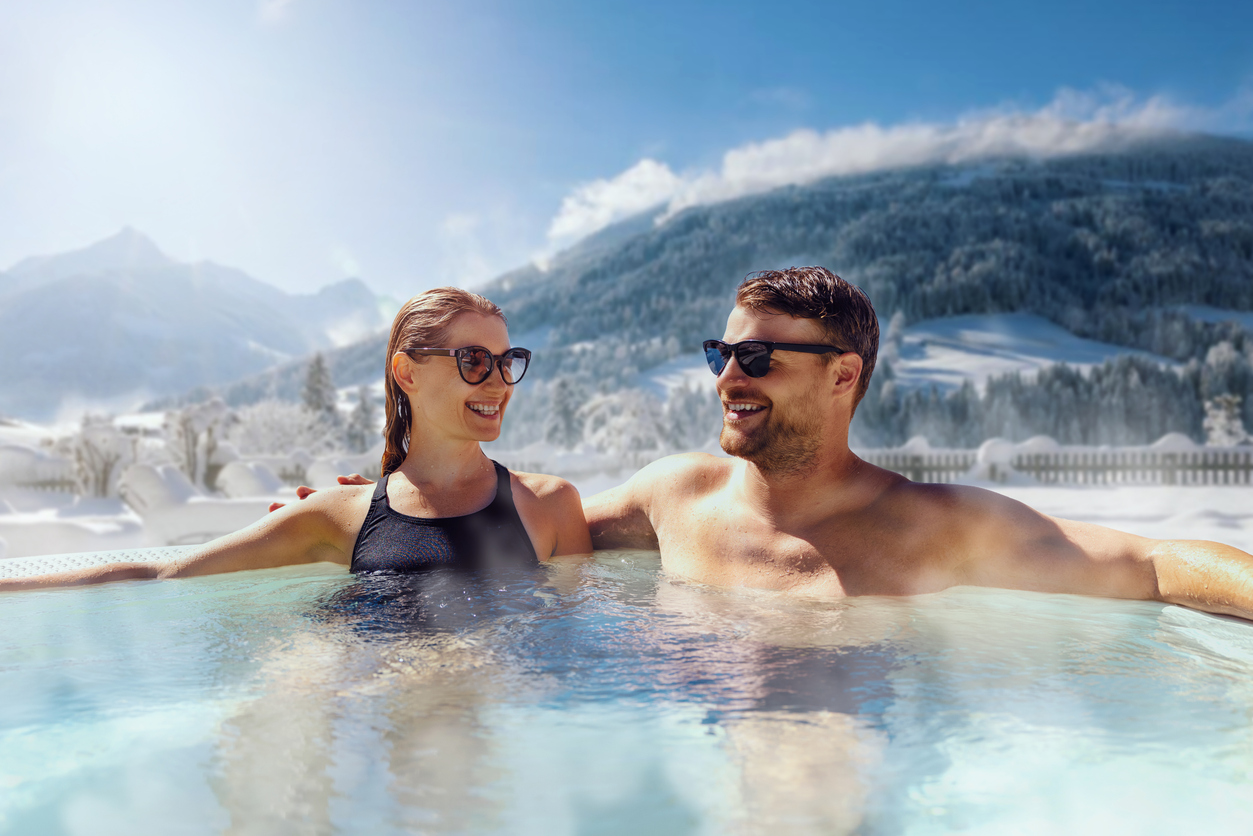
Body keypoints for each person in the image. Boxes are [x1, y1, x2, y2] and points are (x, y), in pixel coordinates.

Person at [584, 266, 1253, 619]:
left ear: (842, 374)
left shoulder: (928, 527)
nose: (727, 376)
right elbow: (517, 520)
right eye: (720, 353)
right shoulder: (673, 497)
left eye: (757, 357)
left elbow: (1156, 562)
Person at [0, 288, 591, 590]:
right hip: (370, 715)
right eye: (472, 360)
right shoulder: (340, 515)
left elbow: (580, 648)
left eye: (506, 360)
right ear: (407, 373)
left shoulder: (551, 505)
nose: (497, 381)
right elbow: (163, 576)